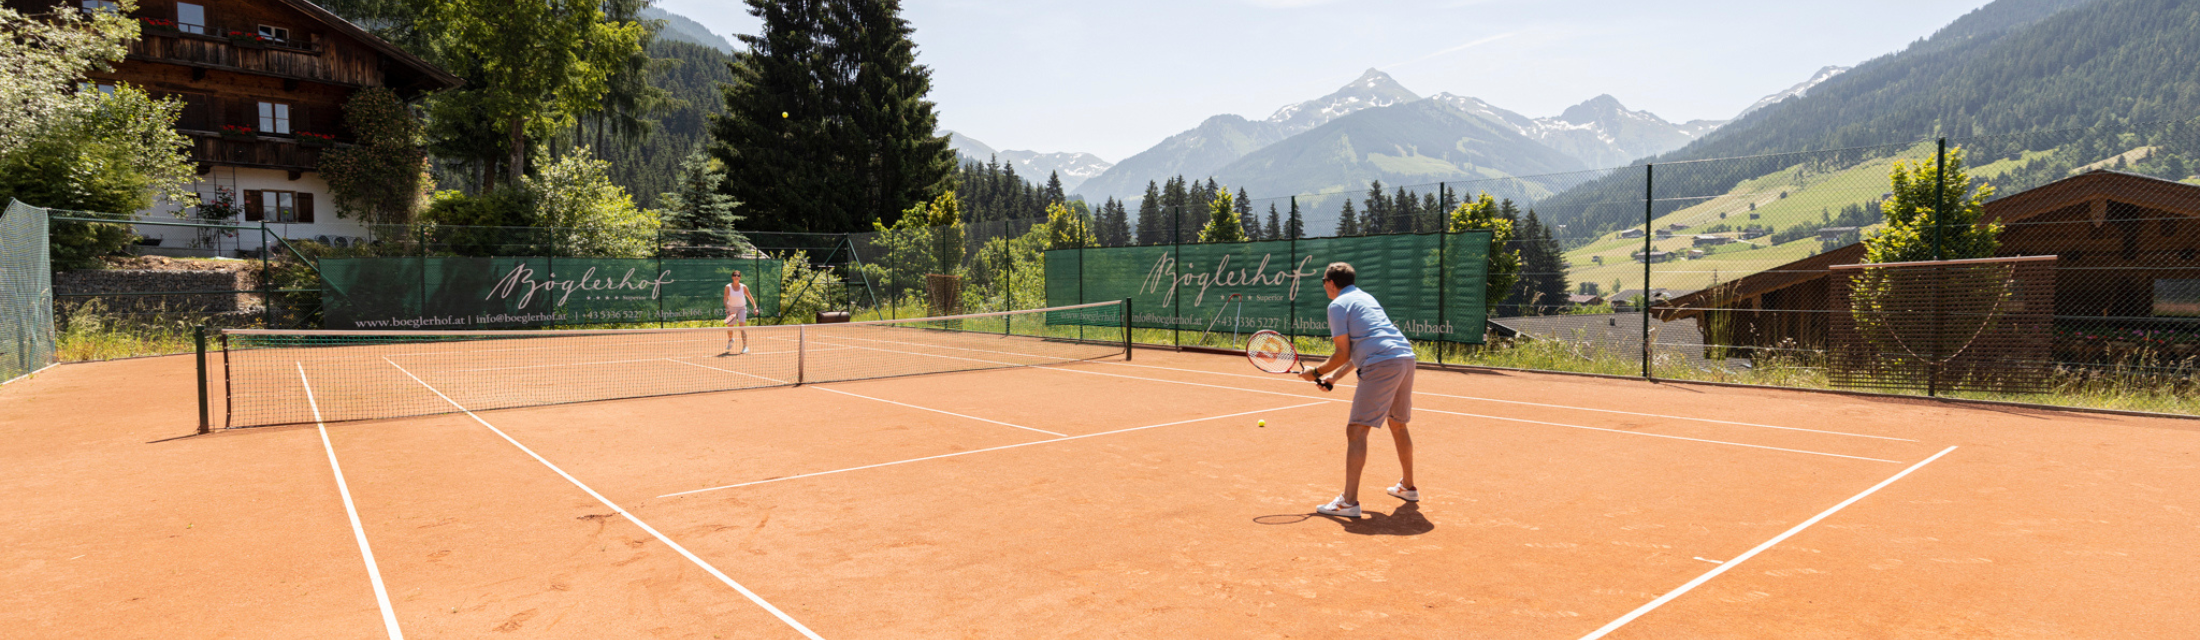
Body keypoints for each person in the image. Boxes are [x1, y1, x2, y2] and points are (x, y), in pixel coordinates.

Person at [1299, 262, 1418, 518]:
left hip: (1382, 363)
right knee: (1397, 423)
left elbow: (1342, 353)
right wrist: (1332, 378)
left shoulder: (1337, 305)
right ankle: (1407, 486)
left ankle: (1349, 502)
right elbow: (1361, 350)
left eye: (1323, 282)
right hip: (1405, 358)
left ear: (1331, 283)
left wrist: (1316, 373)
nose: (1324, 287)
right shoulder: (1365, 298)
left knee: (1356, 430)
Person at [723, 270, 758, 355]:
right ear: (732, 277)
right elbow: (725, 299)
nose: (736, 277)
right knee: (730, 327)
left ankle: (745, 346)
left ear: (740, 277)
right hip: (731, 308)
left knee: (742, 327)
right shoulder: (728, 287)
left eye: (738, 275)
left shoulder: (743, 287)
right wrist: (727, 308)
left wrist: (755, 307)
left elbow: (750, 297)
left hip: (742, 308)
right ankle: (731, 340)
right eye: (734, 275)